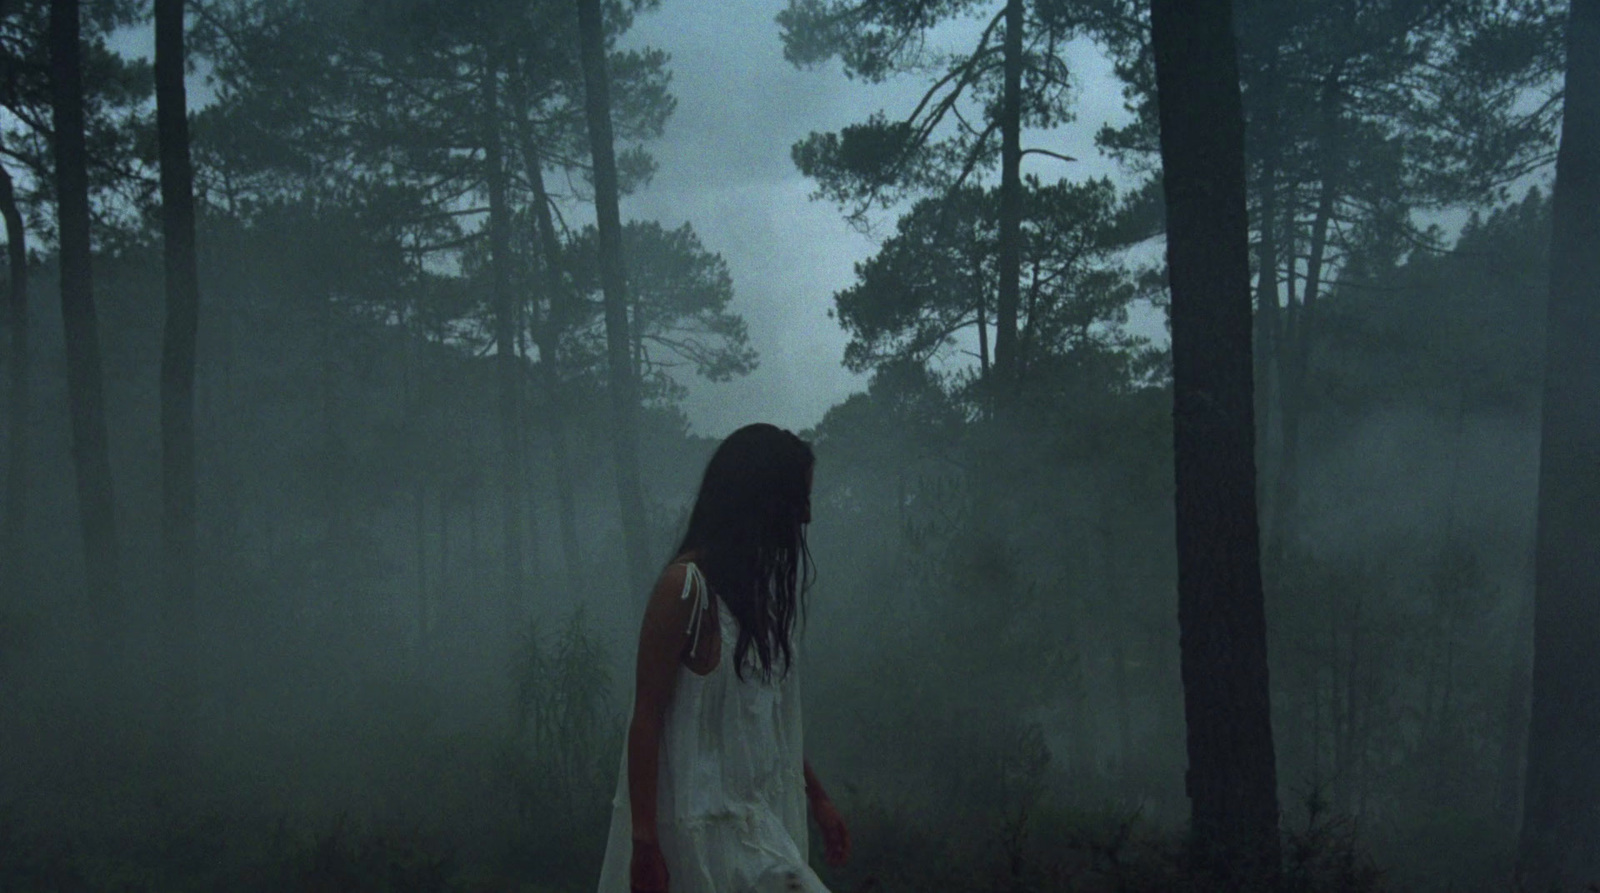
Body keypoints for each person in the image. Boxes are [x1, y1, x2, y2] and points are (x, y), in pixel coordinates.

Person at [596, 423, 850, 893]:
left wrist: (818, 797)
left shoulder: (754, 600)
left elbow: (761, 720)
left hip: (754, 834)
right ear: (761, 499)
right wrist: (645, 842)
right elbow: (646, 718)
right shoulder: (685, 590)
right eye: (799, 499)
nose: (807, 516)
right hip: (698, 839)